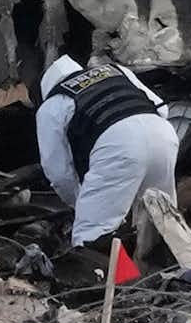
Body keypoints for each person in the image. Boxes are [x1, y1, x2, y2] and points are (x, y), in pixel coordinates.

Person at [36, 55, 181, 258]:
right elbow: (162, 108)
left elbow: (59, 173)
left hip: (117, 147)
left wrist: (81, 202)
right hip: (163, 134)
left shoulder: (53, 104)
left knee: (93, 235)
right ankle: (182, 277)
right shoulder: (116, 70)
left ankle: (119, 286)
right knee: (164, 220)